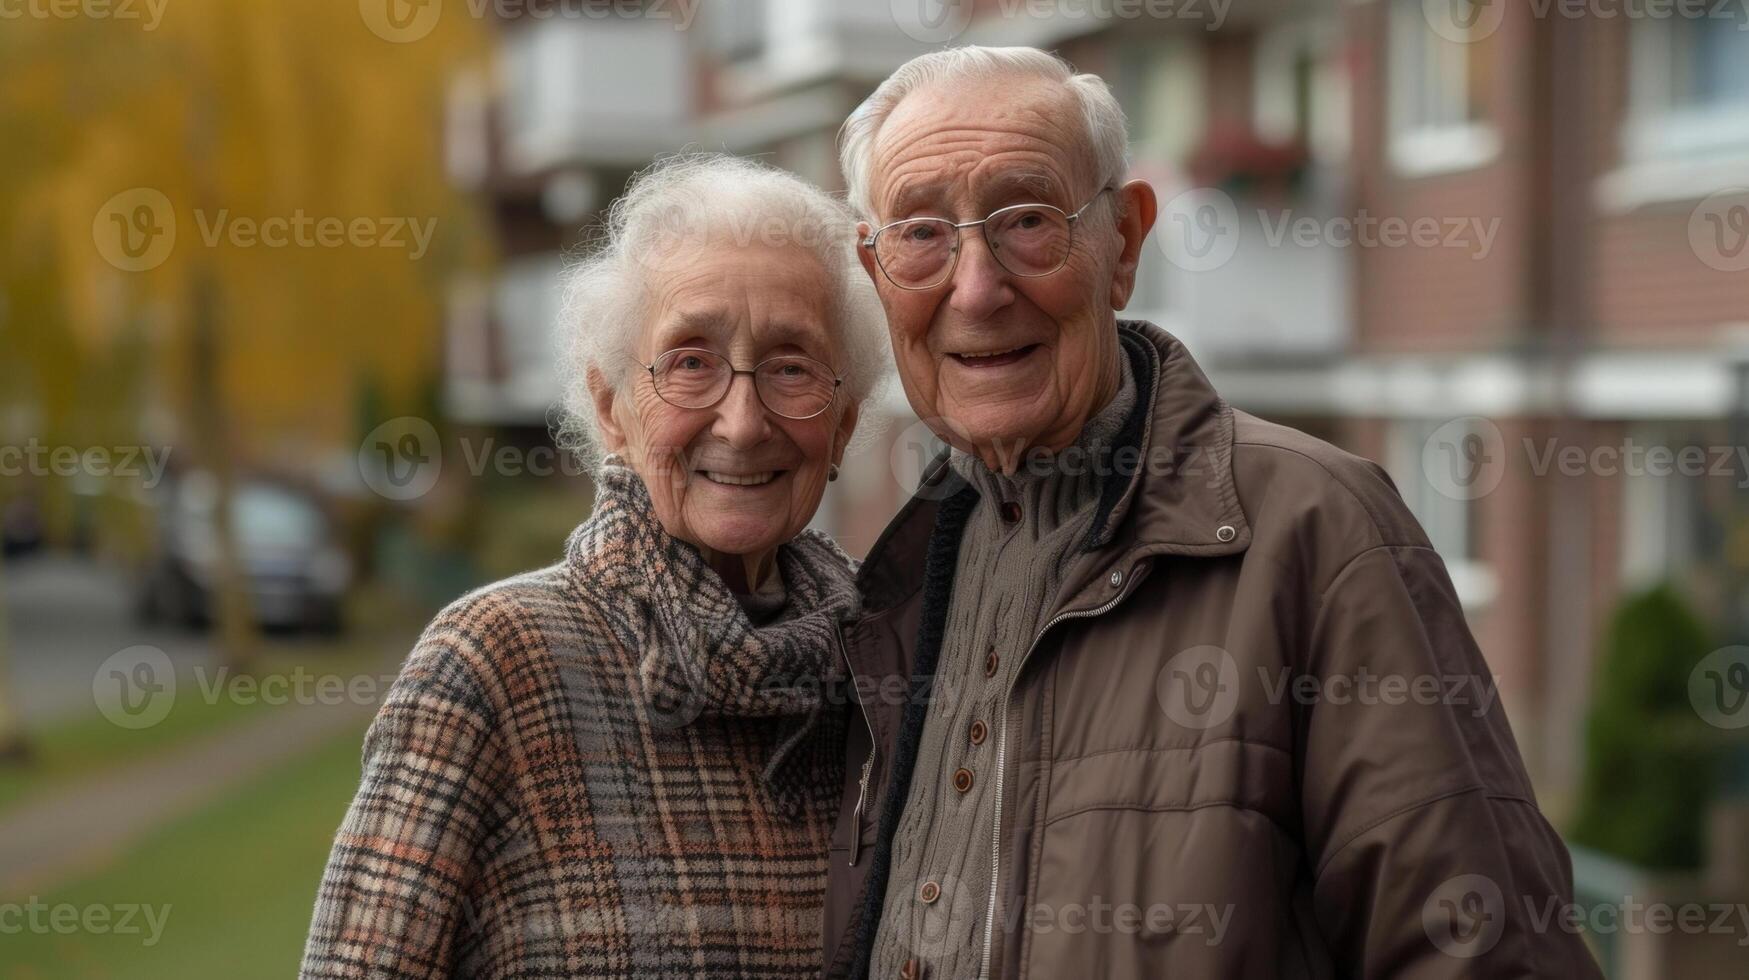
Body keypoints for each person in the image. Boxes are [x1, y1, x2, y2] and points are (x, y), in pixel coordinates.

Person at [822, 46, 1602, 979]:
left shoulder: (1320, 531)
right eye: (920, 234)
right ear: (875, 272)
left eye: (1027, 220)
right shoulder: (893, 587)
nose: (977, 287)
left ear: (1124, 243)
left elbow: (1484, 954)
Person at [300, 153, 889, 978]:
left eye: (791, 366)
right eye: (690, 361)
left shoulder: (884, 673)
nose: (744, 420)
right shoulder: (495, 662)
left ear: (846, 421)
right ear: (611, 408)